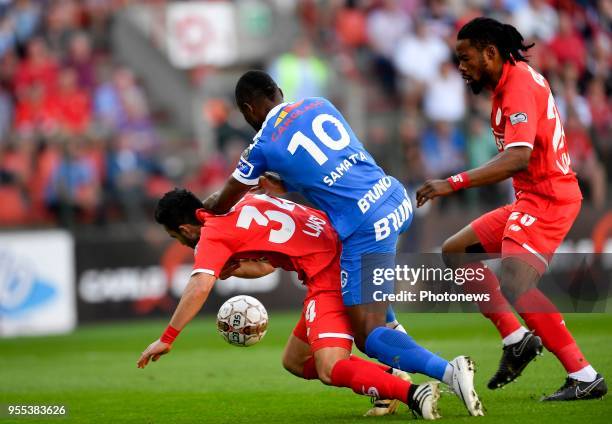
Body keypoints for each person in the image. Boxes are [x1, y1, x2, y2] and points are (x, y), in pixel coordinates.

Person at [203, 70, 483, 416]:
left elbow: (223, 202)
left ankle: (448, 372)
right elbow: (330, 165)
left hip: (365, 226)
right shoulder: (319, 104)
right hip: (393, 196)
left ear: (247, 108)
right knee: (373, 308)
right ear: (278, 90)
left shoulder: (262, 146)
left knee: (367, 334)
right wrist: (287, 184)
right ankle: (389, 384)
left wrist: (197, 214)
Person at [416, 17, 607, 401]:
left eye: (466, 57)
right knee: (456, 252)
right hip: (531, 199)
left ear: (490, 52)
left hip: (549, 197)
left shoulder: (518, 84)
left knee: (518, 283)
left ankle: (584, 376)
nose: (461, 66)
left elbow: (518, 157)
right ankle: (517, 339)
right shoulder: (509, 84)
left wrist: (451, 183)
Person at [137, 189, 441, 420]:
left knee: (329, 367)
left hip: (331, 273)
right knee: (295, 360)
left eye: (175, 236)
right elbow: (267, 266)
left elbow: (198, 285)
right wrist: (234, 269)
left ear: (185, 229)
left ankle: (414, 393)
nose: (180, 243)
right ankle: (389, 379)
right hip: (342, 249)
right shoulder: (244, 200)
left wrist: (167, 339)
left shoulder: (210, 237)